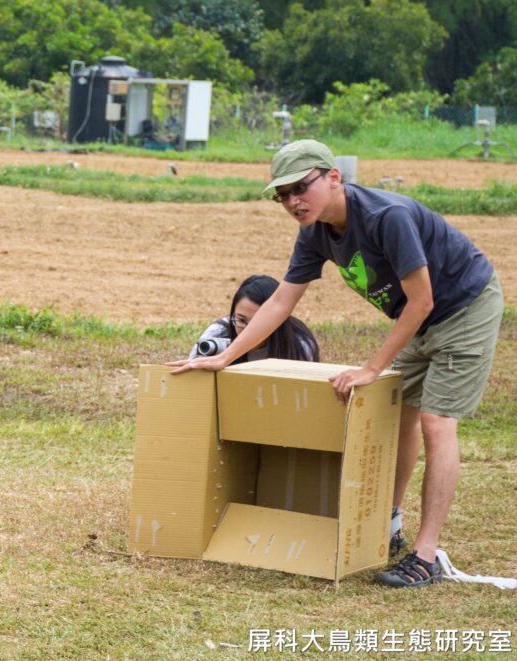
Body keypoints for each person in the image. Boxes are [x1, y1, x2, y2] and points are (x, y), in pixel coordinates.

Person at [167, 139, 504, 589]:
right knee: (398, 416)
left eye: (300, 187)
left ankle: (425, 555)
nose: (292, 201)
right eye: (282, 195)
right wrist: (226, 356)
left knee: (435, 422)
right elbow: (281, 300)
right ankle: (389, 524)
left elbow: (421, 301)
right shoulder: (314, 234)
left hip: (464, 307)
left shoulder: (388, 217)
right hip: (420, 317)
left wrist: (370, 369)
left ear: (332, 177)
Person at [189, 274, 319, 363]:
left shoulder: (300, 345)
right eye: (241, 320)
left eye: (258, 321)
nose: (247, 330)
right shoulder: (216, 334)